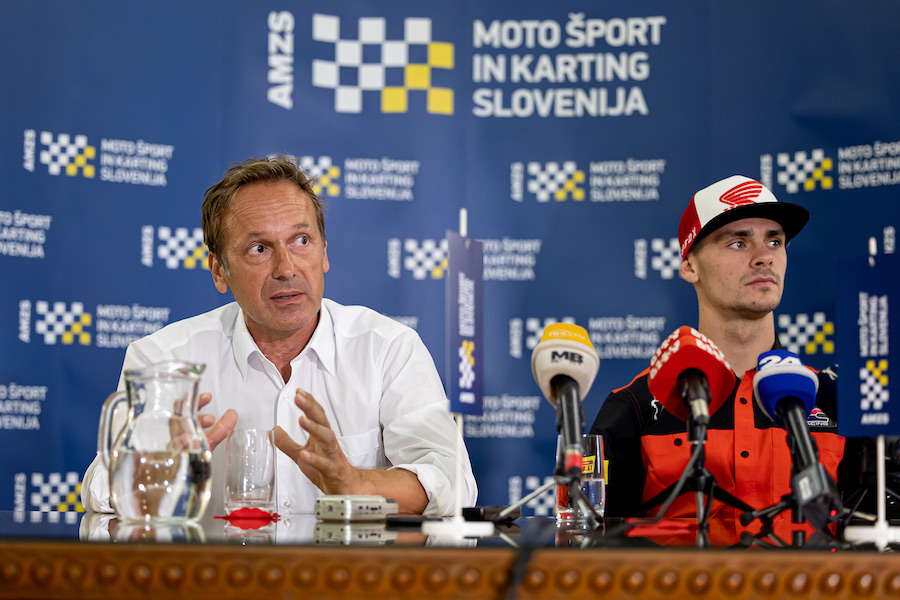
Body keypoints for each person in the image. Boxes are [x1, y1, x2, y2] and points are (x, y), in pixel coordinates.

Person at [82, 154, 477, 517]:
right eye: (259, 249)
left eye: (301, 241)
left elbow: (453, 481)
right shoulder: (163, 359)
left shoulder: (388, 349)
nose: (286, 268)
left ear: (324, 253)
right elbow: (99, 491)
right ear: (219, 271)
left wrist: (357, 484)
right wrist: (158, 471)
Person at [590, 175, 845, 541]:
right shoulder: (635, 408)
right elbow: (591, 552)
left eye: (774, 241)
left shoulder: (834, 399)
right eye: (738, 242)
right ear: (690, 266)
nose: (764, 257)